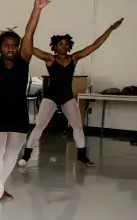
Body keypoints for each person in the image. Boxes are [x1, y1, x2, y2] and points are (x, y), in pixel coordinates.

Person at [19, 18, 124, 167]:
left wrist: (110, 29)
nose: (64, 46)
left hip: (67, 96)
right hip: (51, 96)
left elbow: (94, 46)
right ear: (55, 46)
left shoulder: (74, 58)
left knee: (77, 126)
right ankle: (27, 155)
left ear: (69, 47)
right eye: (61, 44)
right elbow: (30, 48)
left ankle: (82, 156)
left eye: (66, 44)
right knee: (40, 125)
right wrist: (19, 38)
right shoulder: (50, 59)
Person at [0, 0, 50, 202]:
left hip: (18, 113)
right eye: (6, 45)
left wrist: (37, 8)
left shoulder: (23, 60)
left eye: (13, 45)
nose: (10, 48)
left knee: (11, 153)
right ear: (0, 49)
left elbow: (30, 32)